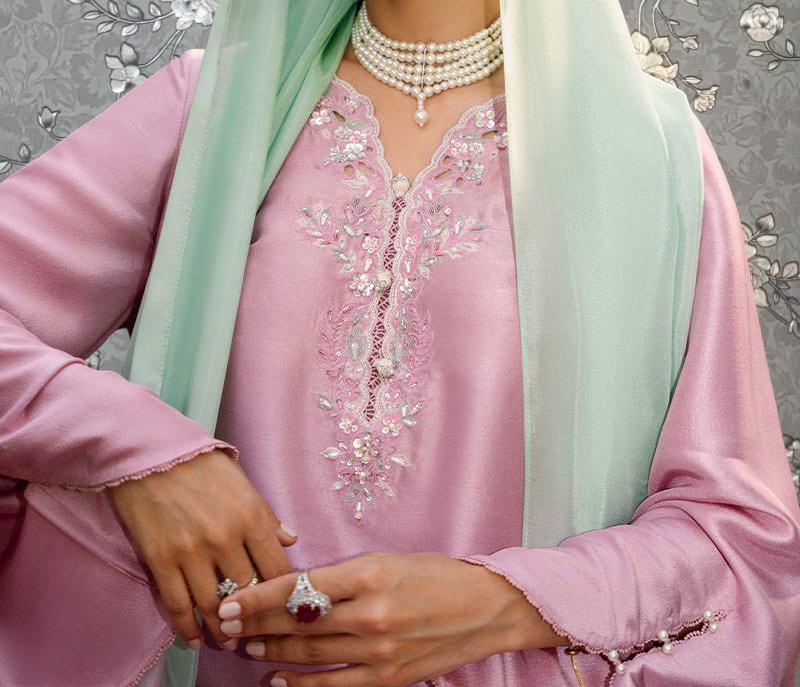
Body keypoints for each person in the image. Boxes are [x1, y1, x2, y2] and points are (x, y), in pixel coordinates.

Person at [1, 1, 799, 686]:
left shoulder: (651, 154)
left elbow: (740, 542)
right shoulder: (214, 112)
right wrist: (143, 456)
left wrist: (504, 602)